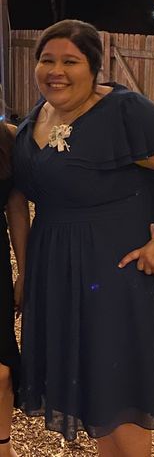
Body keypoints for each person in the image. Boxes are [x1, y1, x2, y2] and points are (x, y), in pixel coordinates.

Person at [13, 19, 154, 457]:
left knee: (120, 391)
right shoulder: (40, 115)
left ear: (94, 67)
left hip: (115, 276)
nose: (56, 70)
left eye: (70, 61)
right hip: (61, 274)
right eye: (47, 60)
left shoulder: (122, 111)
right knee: (97, 390)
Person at [0, 113, 29, 457]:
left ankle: (3, 446)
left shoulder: (9, 138)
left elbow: (17, 208)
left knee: (2, 366)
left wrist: (25, 271)